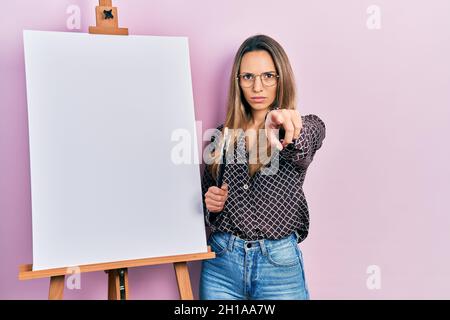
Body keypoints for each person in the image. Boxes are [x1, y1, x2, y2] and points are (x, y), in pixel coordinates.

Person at [199, 34, 326, 300]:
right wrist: (211, 203)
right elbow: (205, 200)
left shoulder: (299, 127)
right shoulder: (220, 137)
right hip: (222, 263)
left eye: (268, 76)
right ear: (238, 82)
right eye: (248, 77)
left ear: (281, 80)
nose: (258, 86)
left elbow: (307, 142)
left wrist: (284, 123)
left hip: (278, 266)